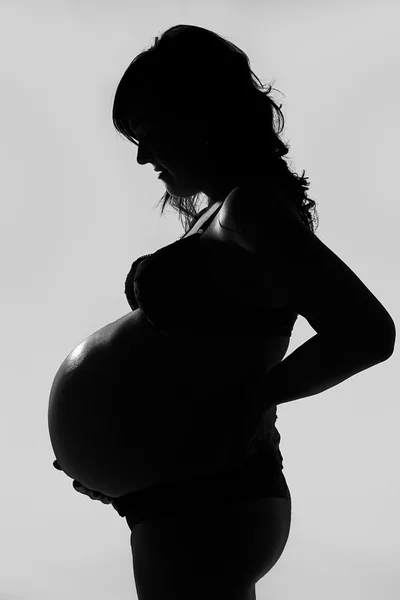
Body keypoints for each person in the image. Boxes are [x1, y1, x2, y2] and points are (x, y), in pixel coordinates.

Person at [52, 24, 395, 600]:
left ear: (201, 118)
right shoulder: (229, 214)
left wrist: (248, 402)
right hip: (184, 494)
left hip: (209, 496)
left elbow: (368, 332)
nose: (141, 157)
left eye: (150, 133)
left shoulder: (252, 209)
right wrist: (118, 465)